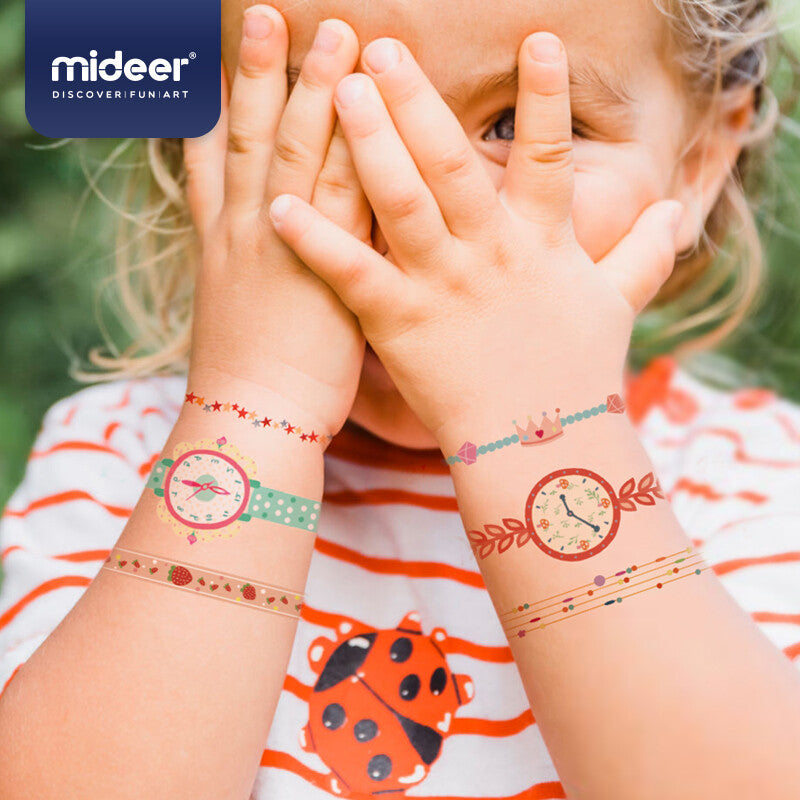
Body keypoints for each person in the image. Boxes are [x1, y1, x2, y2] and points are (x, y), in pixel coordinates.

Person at [1, 0, 800, 797]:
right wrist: (257, 413)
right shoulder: (124, 458)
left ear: (700, 160)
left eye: (518, 124)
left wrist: (540, 440)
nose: (407, 205)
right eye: (320, 119)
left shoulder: (756, 483)